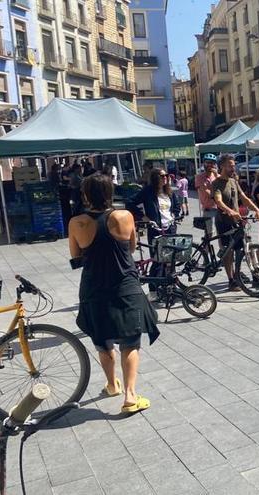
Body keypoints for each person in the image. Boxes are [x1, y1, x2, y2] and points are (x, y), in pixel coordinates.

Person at [69, 174, 158, 415]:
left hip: (94, 287)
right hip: (125, 286)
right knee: (130, 342)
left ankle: (111, 385)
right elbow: (131, 248)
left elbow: (76, 256)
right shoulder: (124, 216)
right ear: (110, 192)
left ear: (86, 195)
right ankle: (130, 395)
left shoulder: (77, 223)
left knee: (102, 340)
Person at [212, 154, 259, 291]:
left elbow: (244, 198)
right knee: (228, 252)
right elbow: (218, 201)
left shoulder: (233, 181)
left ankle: (256, 275)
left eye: (233, 165)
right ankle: (231, 280)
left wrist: (257, 209)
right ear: (222, 166)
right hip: (224, 222)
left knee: (247, 247)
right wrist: (230, 211)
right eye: (230, 165)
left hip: (237, 221)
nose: (233, 168)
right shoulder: (216, 183)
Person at [127, 168, 182, 242]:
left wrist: (174, 215)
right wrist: (143, 217)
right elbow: (130, 202)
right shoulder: (148, 192)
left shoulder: (170, 192)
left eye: (166, 175)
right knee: (156, 252)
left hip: (170, 228)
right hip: (155, 230)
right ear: (155, 178)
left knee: (171, 252)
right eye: (162, 176)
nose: (165, 177)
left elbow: (177, 206)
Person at [196, 154, 219, 235]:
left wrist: (217, 176)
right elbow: (207, 193)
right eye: (207, 162)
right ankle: (206, 248)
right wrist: (218, 195)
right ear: (204, 164)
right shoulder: (199, 177)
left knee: (222, 233)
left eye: (212, 163)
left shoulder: (217, 176)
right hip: (209, 209)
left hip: (221, 209)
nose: (210, 165)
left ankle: (222, 248)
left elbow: (224, 190)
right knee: (209, 233)